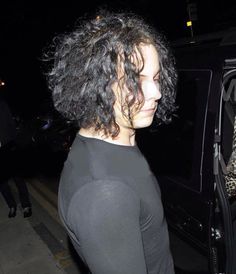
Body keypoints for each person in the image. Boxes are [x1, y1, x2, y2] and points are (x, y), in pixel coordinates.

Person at [45, 9, 177, 274]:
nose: (156, 92)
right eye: (135, 80)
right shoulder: (105, 195)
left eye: (156, 77)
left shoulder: (114, 140)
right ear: (97, 85)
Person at [0, 93, 32, 218]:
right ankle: (11, 206)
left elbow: (11, 125)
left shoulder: (2, 105)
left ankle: (26, 205)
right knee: (2, 184)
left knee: (18, 178)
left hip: (8, 147)